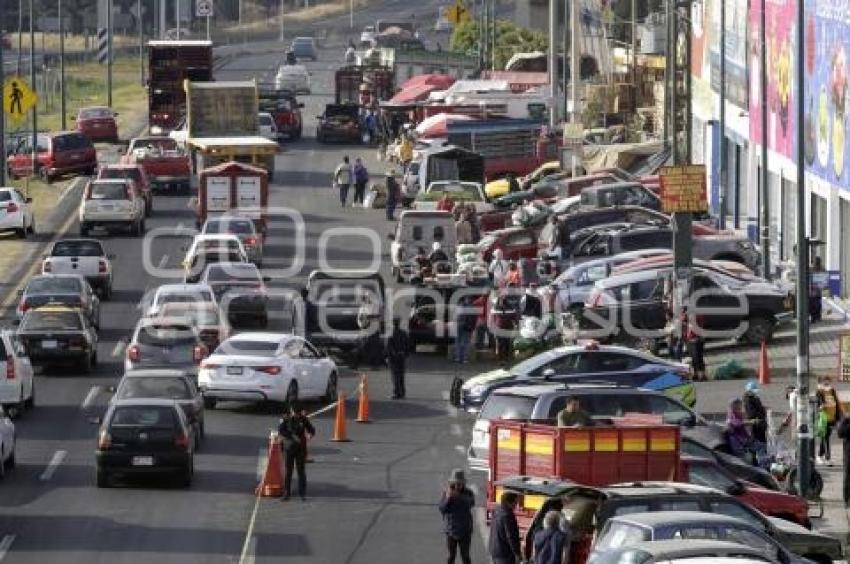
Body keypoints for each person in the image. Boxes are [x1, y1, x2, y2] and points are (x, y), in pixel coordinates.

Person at [277, 402, 315, 500]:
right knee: (288, 471)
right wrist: (292, 436)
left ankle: (302, 493)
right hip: (289, 448)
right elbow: (281, 430)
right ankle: (287, 493)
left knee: (301, 471)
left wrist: (310, 435)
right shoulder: (286, 419)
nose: (296, 415)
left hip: (300, 449)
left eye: (298, 413)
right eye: (295, 413)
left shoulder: (303, 419)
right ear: (291, 411)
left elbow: (311, 429)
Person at [439, 468, 475, 564]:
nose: (458, 485)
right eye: (455, 483)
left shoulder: (468, 493)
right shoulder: (447, 493)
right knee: (451, 556)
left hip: (465, 530)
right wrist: (448, 498)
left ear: (463, 483)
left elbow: (471, 503)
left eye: (460, 483)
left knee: (465, 556)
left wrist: (458, 496)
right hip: (451, 530)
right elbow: (442, 508)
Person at [488, 491, 522, 564]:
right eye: (515, 503)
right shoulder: (508, 515)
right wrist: (517, 554)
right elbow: (510, 536)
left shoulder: (497, 510)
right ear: (508, 502)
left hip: (494, 550)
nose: (516, 505)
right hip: (505, 553)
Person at [817, 376, 842, 465]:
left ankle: (819, 456)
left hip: (832, 418)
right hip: (823, 419)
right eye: (825, 383)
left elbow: (837, 404)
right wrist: (820, 407)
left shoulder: (832, 391)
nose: (827, 385)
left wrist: (839, 417)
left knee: (825, 437)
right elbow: (817, 406)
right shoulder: (819, 392)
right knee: (826, 438)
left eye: (828, 383)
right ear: (821, 384)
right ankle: (828, 458)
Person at [385, 318, 411, 399]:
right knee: (401, 375)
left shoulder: (390, 334)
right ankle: (402, 392)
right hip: (402, 356)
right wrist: (405, 354)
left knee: (395, 375)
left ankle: (396, 392)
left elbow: (389, 347)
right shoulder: (403, 333)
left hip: (394, 357)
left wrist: (387, 356)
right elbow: (408, 345)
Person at [742, 380, 768, 444]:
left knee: (762, 439)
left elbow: (759, 407)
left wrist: (763, 408)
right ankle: (757, 452)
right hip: (755, 422)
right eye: (752, 391)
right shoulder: (747, 400)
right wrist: (761, 413)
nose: (754, 393)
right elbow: (751, 413)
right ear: (748, 391)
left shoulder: (755, 398)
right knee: (756, 439)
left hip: (760, 421)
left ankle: (762, 451)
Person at [454, 298, 478, 363]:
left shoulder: (459, 307)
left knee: (458, 341)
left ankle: (458, 357)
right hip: (468, 327)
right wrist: (473, 327)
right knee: (466, 342)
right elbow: (475, 319)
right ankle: (464, 358)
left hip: (459, 326)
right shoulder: (473, 308)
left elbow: (455, 317)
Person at [836, 413, 850, 505]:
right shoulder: (847, 422)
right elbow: (840, 433)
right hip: (848, 456)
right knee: (847, 477)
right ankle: (846, 500)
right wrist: (845, 419)